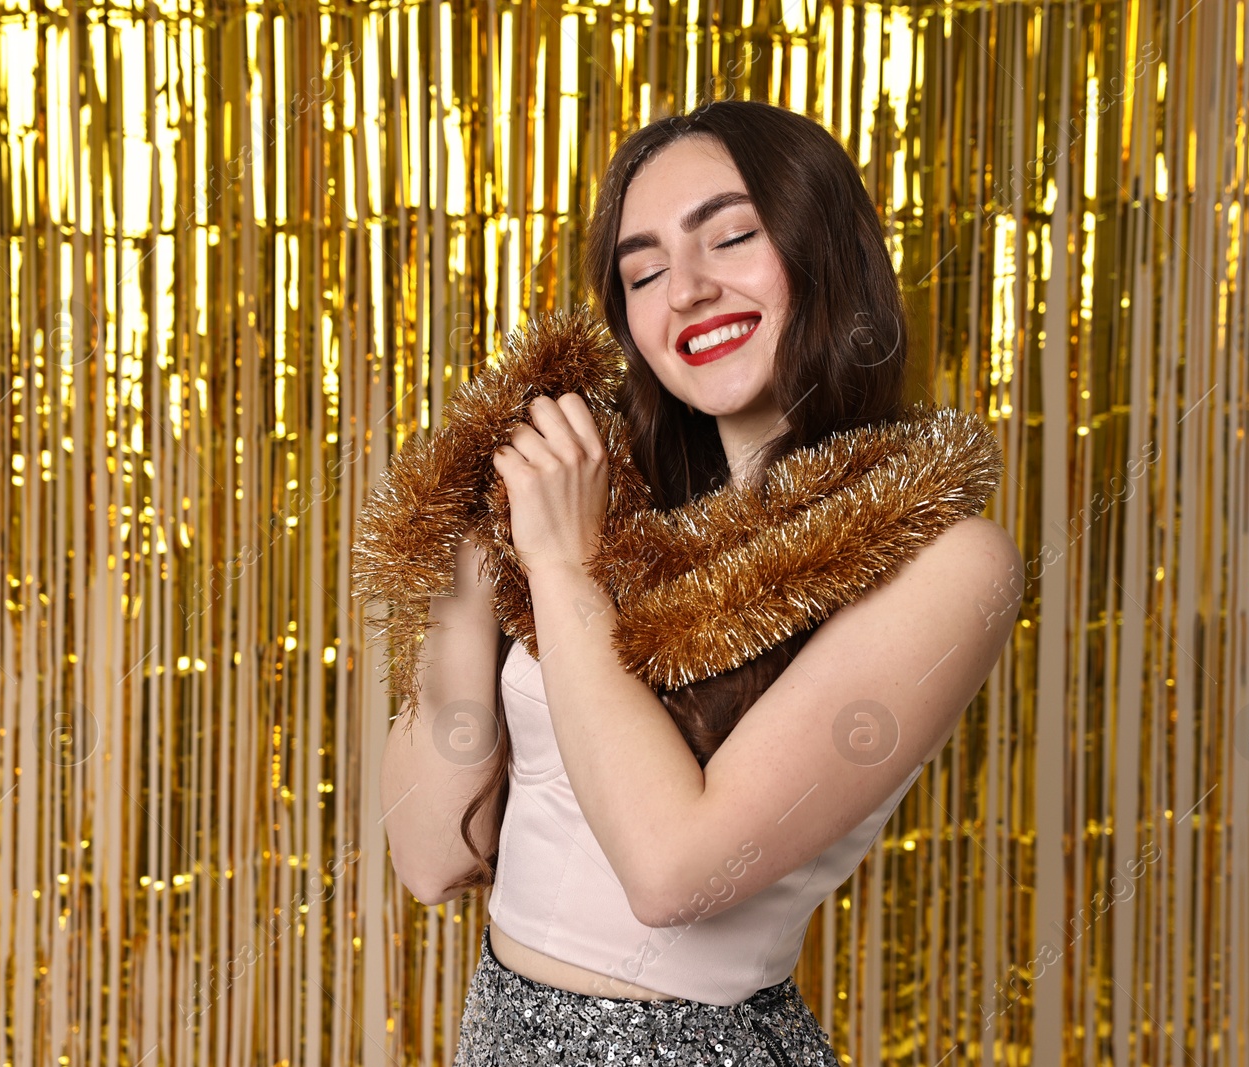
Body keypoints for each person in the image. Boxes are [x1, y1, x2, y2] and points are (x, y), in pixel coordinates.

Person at [373, 99, 1023, 1065]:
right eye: (644, 271)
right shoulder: (616, 517)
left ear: (825, 248)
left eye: (731, 236)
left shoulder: (944, 558)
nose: (686, 289)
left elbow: (672, 870)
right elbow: (432, 859)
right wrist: (480, 558)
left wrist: (558, 565)